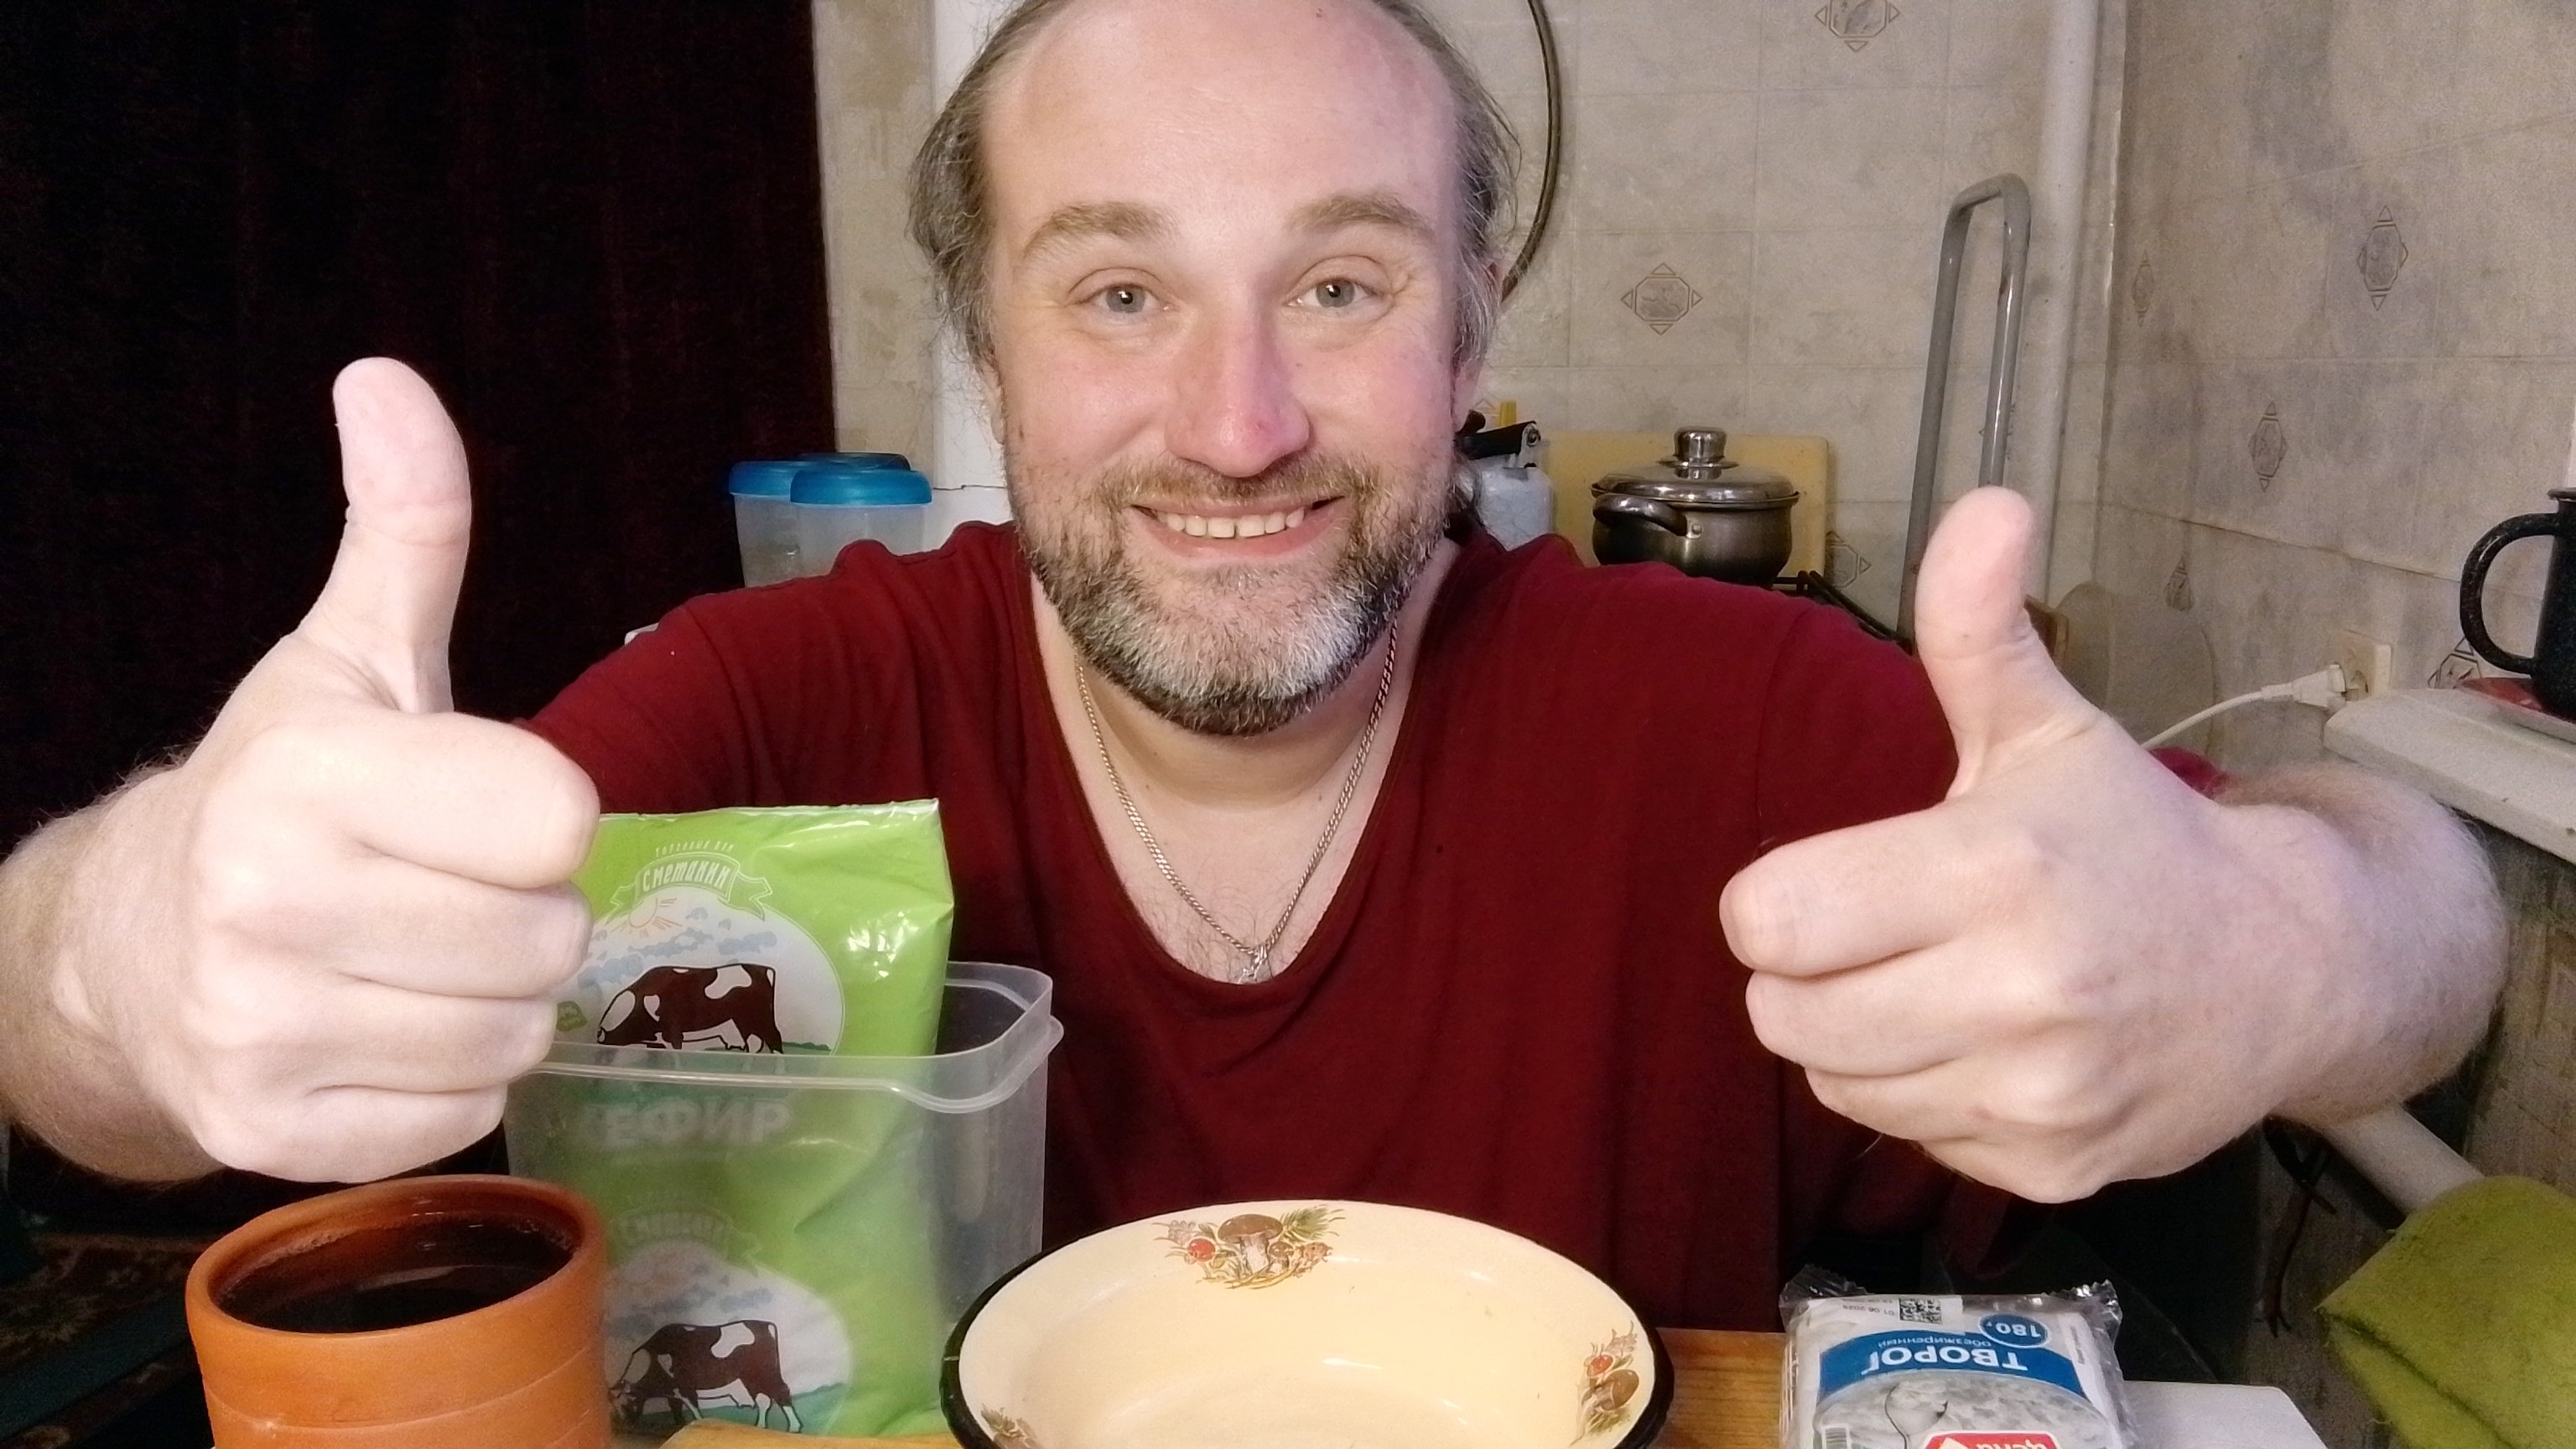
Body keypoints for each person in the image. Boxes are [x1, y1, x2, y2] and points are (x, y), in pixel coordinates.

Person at [0, 0, 2502, 1328]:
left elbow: (2428, 908)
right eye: (1118, 289)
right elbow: (65, 1058)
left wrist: (2284, 941)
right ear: (987, 339)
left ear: (1470, 326)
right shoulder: (769, 725)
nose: (1237, 422)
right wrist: (117, 945)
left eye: (1339, 282)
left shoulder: (1740, 717)